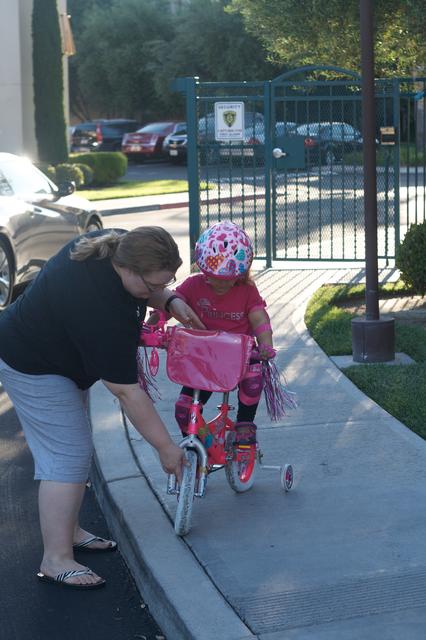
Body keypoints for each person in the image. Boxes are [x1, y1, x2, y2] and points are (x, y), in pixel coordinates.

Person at [0, 226, 203, 590]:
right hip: (31, 363)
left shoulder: (120, 244)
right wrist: (165, 447)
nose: (157, 291)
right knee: (66, 455)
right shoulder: (97, 304)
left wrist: (169, 300)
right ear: (128, 269)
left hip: (56, 358)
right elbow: (126, 392)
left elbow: (148, 288)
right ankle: (55, 558)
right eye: (152, 286)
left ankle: (70, 531)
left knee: (71, 451)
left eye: (167, 281)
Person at [153, 220, 276, 447]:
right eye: (211, 277)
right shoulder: (193, 285)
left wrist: (265, 344)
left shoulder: (247, 291)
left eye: (225, 281)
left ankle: (244, 426)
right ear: (202, 268)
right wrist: (156, 322)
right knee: (184, 409)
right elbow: (171, 303)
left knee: (253, 380)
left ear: (241, 273)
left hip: (241, 356)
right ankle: (199, 444)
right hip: (205, 357)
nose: (217, 284)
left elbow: (259, 317)